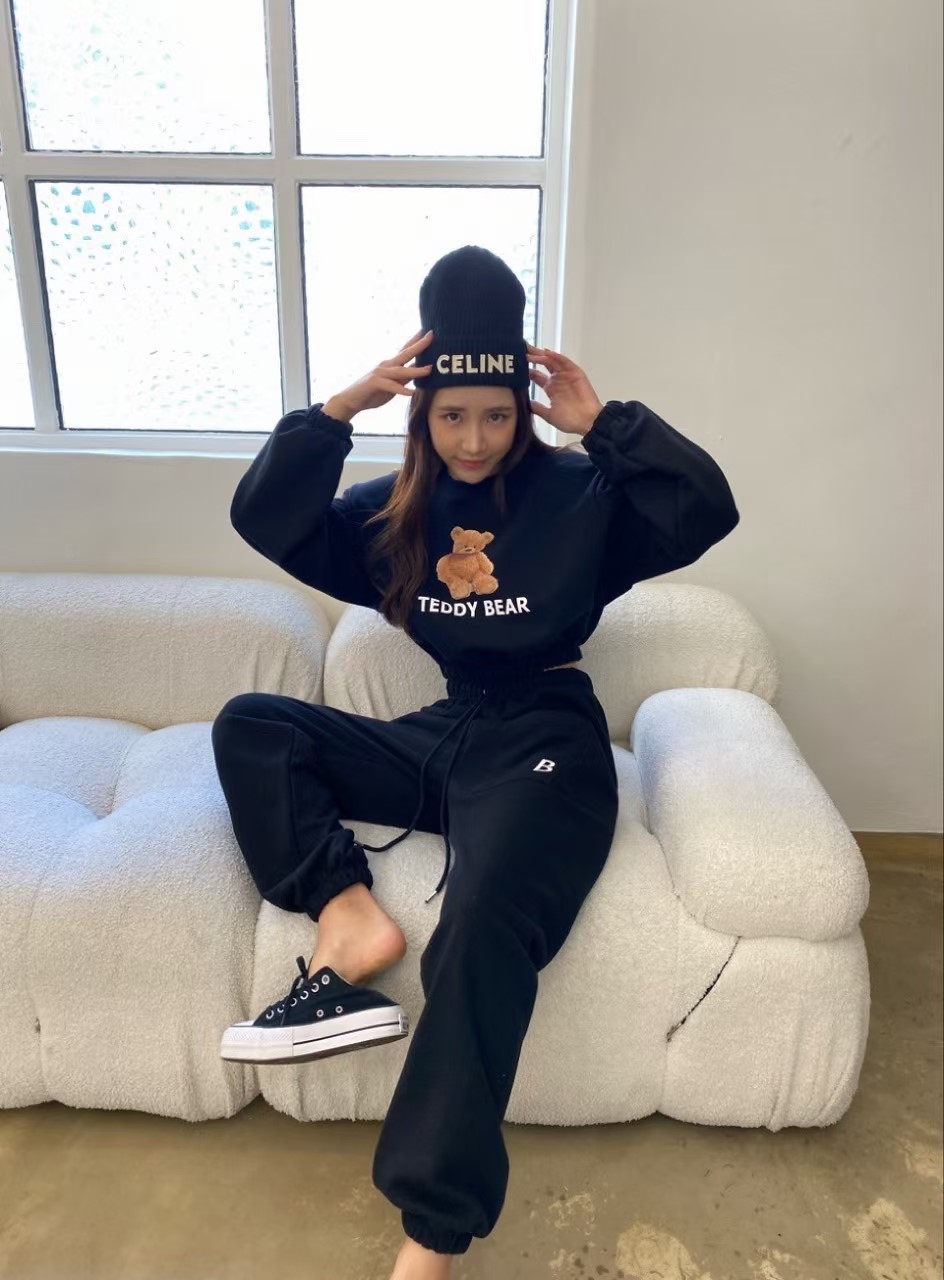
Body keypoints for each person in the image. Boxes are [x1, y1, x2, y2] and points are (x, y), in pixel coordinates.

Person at [211, 245, 740, 1280]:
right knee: (253, 724)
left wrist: (606, 423)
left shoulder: (582, 494)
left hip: (549, 743)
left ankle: (431, 1234)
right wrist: (337, 411)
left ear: (522, 410)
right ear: (422, 412)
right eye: (450, 415)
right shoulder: (392, 514)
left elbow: (704, 508)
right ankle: (349, 916)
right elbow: (264, 518)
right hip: (449, 730)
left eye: (495, 415)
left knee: (481, 922)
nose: (473, 439)